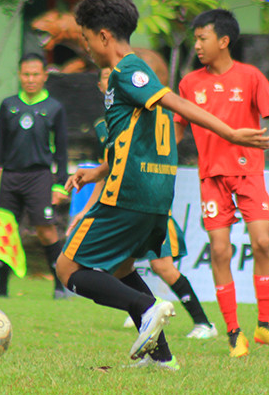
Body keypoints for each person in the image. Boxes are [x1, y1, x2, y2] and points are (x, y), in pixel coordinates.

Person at [56, 0, 269, 370]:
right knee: (123, 268)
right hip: (154, 195)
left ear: (104, 36)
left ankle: (148, 306)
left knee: (67, 269)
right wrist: (96, 171)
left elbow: (177, 103)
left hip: (130, 194)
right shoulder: (128, 77)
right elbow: (133, 139)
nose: (87, 47)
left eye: (87, 38)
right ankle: (162, 357)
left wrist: (232, 133)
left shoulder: (129, 69)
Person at [174, 8, 269, 358]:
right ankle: (233, 332)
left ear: (223, 41)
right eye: (195, 38)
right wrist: (160, 145)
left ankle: (265, 326)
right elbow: (179, 127)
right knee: (220, 250)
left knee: (262, 244)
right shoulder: (189, 83)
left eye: (202, 38)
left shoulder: (251, 77)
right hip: (211, 177)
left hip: (249, 173)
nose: (197, 44)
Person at [71, 68, 218, 339]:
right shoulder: (130, 115)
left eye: (111, 77)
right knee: (121, 267)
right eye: (104, 77)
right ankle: (144, 313)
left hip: (141, 206)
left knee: (161, 266)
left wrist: (86, 211)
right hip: (141, 205)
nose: (109, 81)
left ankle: (202, 323)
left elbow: (115, 167)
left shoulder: (128, 116)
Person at [0, 53, 69, 299]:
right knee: (5, 231)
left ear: (44, 76)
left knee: (46, 230)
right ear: (19, 76)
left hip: (39, 177)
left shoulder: (54, 108)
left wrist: (60, 185)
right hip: (9, 176)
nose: (30, 79)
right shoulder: (8, 105)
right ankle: (2, 288)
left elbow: (61, 151)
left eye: (35, 75)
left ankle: (59, 286)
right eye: (25, 75)